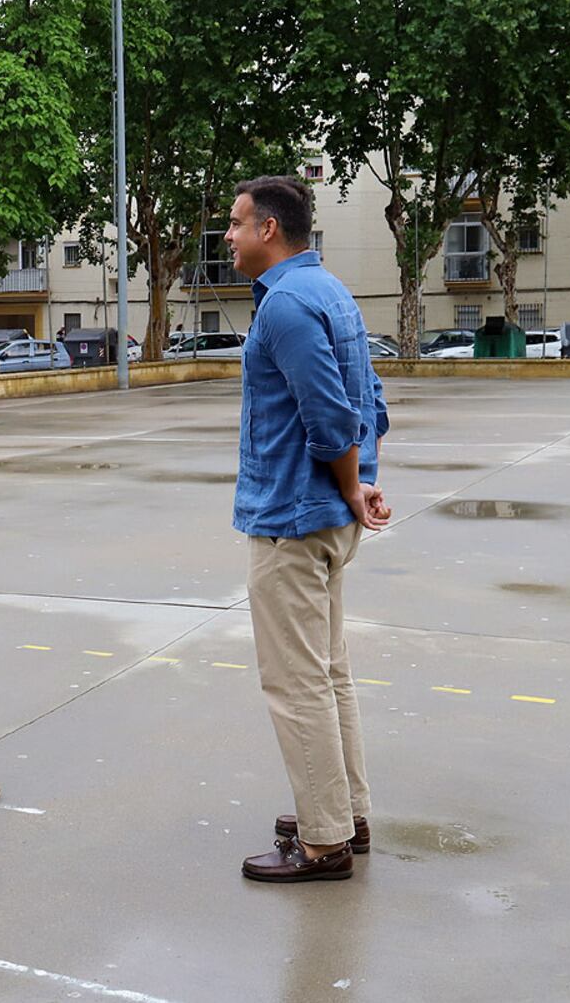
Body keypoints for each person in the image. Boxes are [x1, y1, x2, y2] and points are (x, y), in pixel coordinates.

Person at [223, 177, 392, 884]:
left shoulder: (286, 305)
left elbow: (332, 417)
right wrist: (361, 482)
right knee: (328, 675)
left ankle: (323, 841)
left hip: (293, 519)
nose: (227, 235)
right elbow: (372, 404)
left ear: (268, 229)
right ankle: (344, 812)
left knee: (296, 684)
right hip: (323, 514)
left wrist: (352, 483)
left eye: (234, 223)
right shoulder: (331, 292)